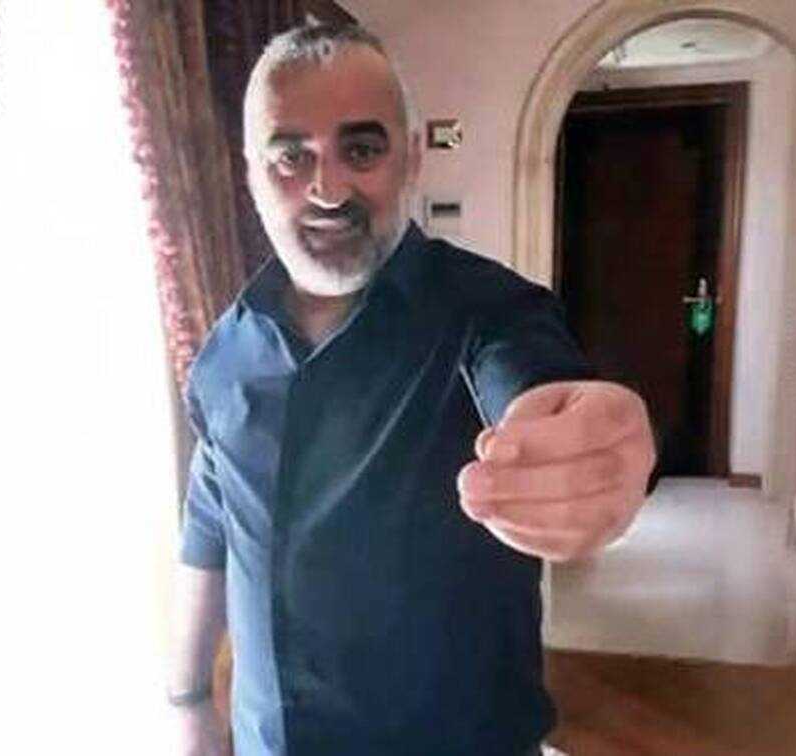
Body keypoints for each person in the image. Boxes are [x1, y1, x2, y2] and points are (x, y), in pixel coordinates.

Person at [167, 23, 656, 756]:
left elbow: (541, 391)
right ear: (250, 172)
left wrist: (595, 446)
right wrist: (186, 699)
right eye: (292, 157)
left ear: (414, 156)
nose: (327, 188)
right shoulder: (223, 354)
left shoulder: (491, 312)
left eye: (361, 151)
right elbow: (210, 525)